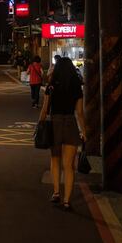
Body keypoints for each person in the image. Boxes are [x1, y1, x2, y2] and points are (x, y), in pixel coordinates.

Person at [38, 57, 86, 211]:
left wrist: (40, 124)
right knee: (69, 165)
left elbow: (45, 110)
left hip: (55, 124)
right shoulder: (76, 86)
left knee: (55, 159)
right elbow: (79, 113)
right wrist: (84, 132)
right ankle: (66, 201)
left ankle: (56, 192)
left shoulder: (51, 86)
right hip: (71, 124)